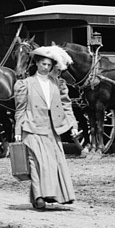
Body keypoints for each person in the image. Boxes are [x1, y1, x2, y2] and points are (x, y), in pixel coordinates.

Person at [10, 44, 78, 211]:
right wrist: (18, 131)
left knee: (53, 162)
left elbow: (66, 105)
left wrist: (73, 125)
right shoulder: (26, 84)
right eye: (43, 64)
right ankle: (39, 197)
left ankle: (56, 195)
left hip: (52, 128)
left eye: (49, 65)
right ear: (37, 63)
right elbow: (20, 109)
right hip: (31, 127)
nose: (46, 67)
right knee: (35, 162)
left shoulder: (58, 84)